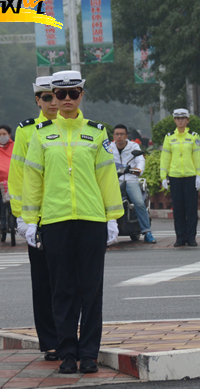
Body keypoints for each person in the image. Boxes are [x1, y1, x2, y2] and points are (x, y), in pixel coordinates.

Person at [22, 70, 123, 374]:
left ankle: (89, 352)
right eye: (59, 95)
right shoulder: (40, 135)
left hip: (91, 219)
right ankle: (67, 351)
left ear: (82, 94)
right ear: (51, 96)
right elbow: (32, 179)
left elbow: (106, 177)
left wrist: (112, 217)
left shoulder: (97, 132)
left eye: (73, 93)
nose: (66, 100)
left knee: (91, 289)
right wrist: (29, 219)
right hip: (55, 220)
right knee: (62, 289)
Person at [7, 75, 59, 361]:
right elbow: (17, 175)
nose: (53, 102)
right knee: (43, 282)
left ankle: (69, 336)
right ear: (37, 100)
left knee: (69, 281)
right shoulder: (27, 131)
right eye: (46, 97)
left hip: (67, 214)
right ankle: (50, 341)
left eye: (57, 95)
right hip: (37, 217)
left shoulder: (74, 126)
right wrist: (21, 217)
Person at [160, 109, 200, 247]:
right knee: (178, 209)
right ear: (174, 120)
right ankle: (180, 237)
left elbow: (197, 157)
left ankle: (191, 237)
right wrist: (163, 176)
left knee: (191, 209)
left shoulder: (194, 136)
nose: (180, 121)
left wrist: (199, 175)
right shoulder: (169, 137)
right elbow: (165, 157)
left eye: (183, 118)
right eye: (178, 118)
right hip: (175, 176)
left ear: (188, 120)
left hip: (190, 176)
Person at [110, 124, 157, 243]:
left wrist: (138, 170)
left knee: (139, 202)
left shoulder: (133, 146)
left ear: (126, 136)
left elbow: (140, 160)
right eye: (117, 134)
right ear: (113, 135)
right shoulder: (109, 148)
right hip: (114, 180)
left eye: (122, 134)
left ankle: (147, 232)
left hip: (131, 179)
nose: (119, 136)